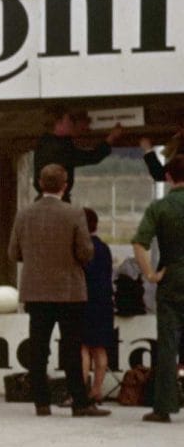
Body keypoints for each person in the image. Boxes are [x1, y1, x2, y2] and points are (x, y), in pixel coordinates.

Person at [8, 163, 108, 418]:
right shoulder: (74, 214)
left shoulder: (24, 214)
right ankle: (79, 401)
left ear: (40, 184)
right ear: (66, 185)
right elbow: (86, 252)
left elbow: (13, 252)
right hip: (69, 291)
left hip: (36, 291)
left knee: (39, 347)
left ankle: (41, 402)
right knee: (72, 347)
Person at [131, 155, 184, 425]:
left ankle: (164, 406)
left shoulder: (160, 207)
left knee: (167, 344)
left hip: (172, 276)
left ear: (168, 177)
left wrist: (150, 274)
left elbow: (140, 243)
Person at [31, 105, 125, 203]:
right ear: (58, 123)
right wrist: (112, 138)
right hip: (56, 201)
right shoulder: (58, 148)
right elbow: (92, 157)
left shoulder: (46, 141)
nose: (72, 123)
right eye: (69, 120)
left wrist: (79, 129)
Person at [79, 208, 115, 405]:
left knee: (82, 348)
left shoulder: (82, 248)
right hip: (104, 303)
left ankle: (81, 391)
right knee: (100, 349)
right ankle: (97, 390)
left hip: (85, 302)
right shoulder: (104, 247)